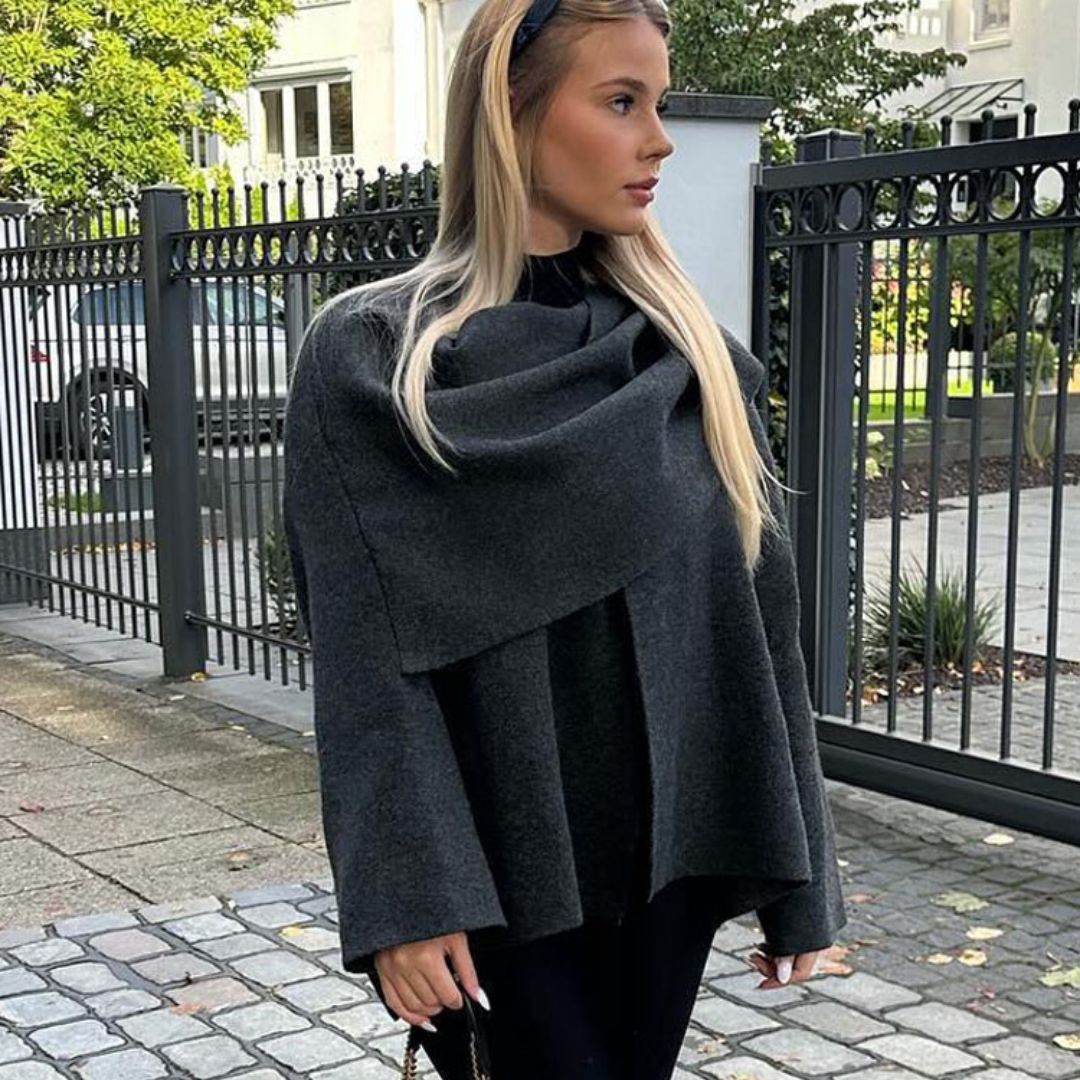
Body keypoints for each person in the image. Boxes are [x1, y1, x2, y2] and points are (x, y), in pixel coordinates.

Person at [282, 0, 848, 1076]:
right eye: (622, 101)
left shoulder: (689, 359)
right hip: (495, 875)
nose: (660, 140)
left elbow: (761, 625)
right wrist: (407, 896)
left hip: (671, 863)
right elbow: (365, 662)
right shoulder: (375, 360)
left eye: (660, 104)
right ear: (512, 111)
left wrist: (804, 881)